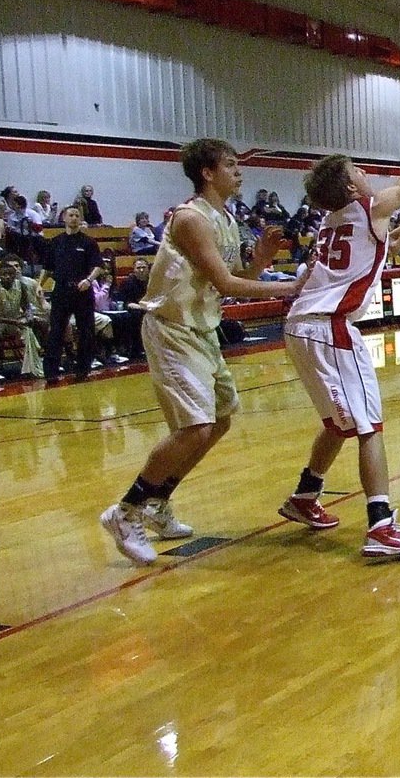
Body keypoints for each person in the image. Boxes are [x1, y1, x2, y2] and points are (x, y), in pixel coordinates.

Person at [276, 82, 400, 559]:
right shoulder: (369, 207)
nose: (367, 175)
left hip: (299, 327)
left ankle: (305, 496)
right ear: (351, 187)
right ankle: (381, 526)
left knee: (336, 421)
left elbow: (392, 243)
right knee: (369, 425)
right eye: (359, 171)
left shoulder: (334, 222)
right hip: (330, 327)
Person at [99, 138, 311, 566]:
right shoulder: (191, 218)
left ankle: (158, 502)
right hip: (171, 327)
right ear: (207, 173)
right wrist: (292, 287)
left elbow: (230, 279)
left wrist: (261, 260)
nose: (240, 172)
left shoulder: (227, 218)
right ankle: (125, 512)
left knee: (220, 419)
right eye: (231, 165)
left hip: (202, 328)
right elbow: (230, 286)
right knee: (194, 427)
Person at [38, 205, 104, 381]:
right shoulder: (56, 242)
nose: (74, 218)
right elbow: (47, 267)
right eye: (71, 215)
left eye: (77, 215)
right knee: (56, 331)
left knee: (86, 332)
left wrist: (89, 280)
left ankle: (82, 369)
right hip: (61, 291)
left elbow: (98, 266)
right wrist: (39, 284)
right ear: (64, 219)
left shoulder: (89, 242)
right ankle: (51, 372)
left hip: (82, 292)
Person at [0, 255, 45, 380]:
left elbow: (27, 307)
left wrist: (29, 317)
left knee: (37, 324)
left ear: (15, 275)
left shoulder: (21, 285)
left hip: (14, 322)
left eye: (10, 274)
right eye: (4, 274)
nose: (7, 277)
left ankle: (36, 363)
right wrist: (14, 322)